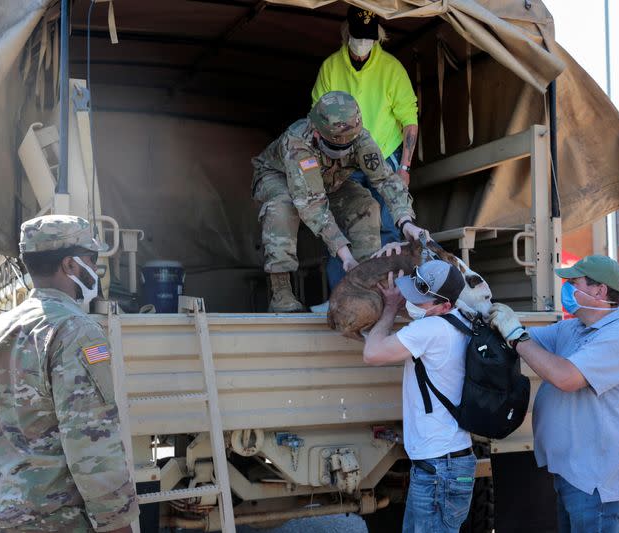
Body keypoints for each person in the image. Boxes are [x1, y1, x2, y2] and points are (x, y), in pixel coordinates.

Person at [0, 215, 139, 532]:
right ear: (70, 265)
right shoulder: (75, 331)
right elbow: (92, 442)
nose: (94, 270)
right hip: (51, 522)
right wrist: (117, 522)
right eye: (91, 260)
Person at [490, 255, 619, 533]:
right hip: (574, 475)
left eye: (574, 282)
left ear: (599, 291)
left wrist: (515, 336)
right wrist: (491, 315)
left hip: (599, 483)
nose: (567, 288)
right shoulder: (575, 327)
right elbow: (529, 342)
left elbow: (565, 377)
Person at [252, 90, 427, 312]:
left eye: (346, 147)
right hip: (278, 177)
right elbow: (312, 204)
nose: (341, 151)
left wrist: (406, 222)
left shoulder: (360, 138)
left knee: (366, 206)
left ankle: (367, 283)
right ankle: (281, 293)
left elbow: (386, 180)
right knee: (282, 207)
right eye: (334, 148)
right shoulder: (296, 143)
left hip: (328, 181)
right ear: (316, 133)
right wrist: (345, 256)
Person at [362, 260, 476, 532]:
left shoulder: (430, 329)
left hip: (439, 468)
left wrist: (389, 308)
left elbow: (372, 353)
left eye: (419, 301)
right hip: (445, 463)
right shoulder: (461, 321)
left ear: (445, 306)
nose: (410, 303)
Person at [312, 6, 419, 290]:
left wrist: (405, 167)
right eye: (358, 38)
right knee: (343, 227)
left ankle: (385, 295)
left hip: (383, 155)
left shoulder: (392, 69)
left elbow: (410, 120)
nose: (362, 45)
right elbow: (317, 116)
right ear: (347, 33)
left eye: (368, 39)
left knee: (386, 226)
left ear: (378, 38)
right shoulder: (331, 67)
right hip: (343, 160)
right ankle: (343, 295)